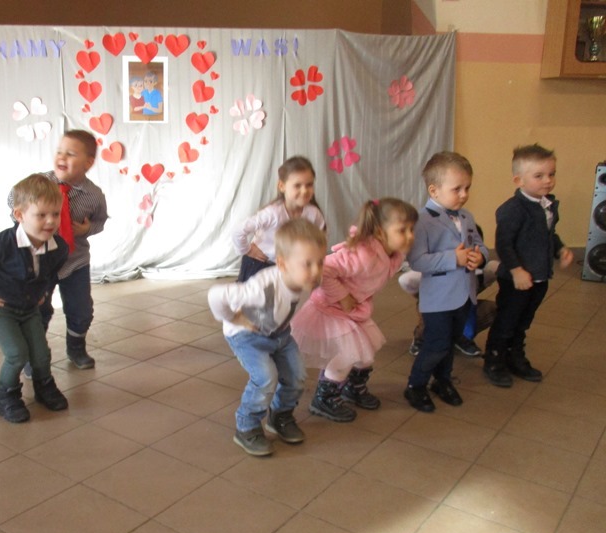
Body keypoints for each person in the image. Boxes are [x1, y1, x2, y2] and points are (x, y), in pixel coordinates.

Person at [292, 198, 418, 422]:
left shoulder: (394, 254)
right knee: (345, 356)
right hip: (330, 309)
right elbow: (323, 268)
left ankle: (352, 388)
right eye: (402, 230)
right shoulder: (362, 254)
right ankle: (324, 398)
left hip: (354, 311)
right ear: (379, 232)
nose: (410, 236)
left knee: (365, 355)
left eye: (411, 229)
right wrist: (342, 296)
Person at [0, 174, 70, 423]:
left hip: (29, 308)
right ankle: (6, 396)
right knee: (17, 353)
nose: (51, 221)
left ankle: (44, 387)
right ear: (19, 215)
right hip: (1, 308)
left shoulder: (59, 248)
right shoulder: (2, 243)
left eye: (55, 214)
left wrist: (43, 293)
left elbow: (51, 273)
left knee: (41, 354)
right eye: (41, 215)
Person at [208, 218, 326, 456]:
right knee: (265, 378)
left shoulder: (306, 279)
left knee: (296, 376)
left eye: (320, 262)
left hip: (278, 333)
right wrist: (231, 318)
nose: (316, 271)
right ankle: (247, 426)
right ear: (282, 264)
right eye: (307, 264)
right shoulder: (263, 288)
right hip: (246, 335)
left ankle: (280, 417)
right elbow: (216, 295)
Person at [7, 130, 108, 369]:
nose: (62, 157)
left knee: (81, 310)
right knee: (39, 309)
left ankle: (76, 348)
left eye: (71, 154)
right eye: (59, 151)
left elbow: (100, 221)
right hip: (41, 262)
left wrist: (87, 229)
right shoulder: (39, 183)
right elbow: (13, 200)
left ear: (88, 162)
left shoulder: (93, 195)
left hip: (75, 262)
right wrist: (25, 222)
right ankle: (35, 354)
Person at [483, 144, 574, 387]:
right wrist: (516, 271)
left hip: (539, 277)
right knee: (507, 320)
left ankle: (514, 356)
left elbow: (548, 235)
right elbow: (503, 244)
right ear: (519, 180)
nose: (548, 180)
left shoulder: (547, 205)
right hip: (516, 279)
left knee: (523, 321)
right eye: (539, 176)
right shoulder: (513, 209)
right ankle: (494, 360)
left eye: (551, 174)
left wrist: (560, 249)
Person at [404, 151, 488, 413]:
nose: (464, 194)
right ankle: (415, 385)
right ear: (434, 190)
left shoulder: (467, 217)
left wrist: (480, 257)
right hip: (438, 299)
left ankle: (442, 380)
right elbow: (417, 261)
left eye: (467, 188)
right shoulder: (422, 221)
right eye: (457, 189)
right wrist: (454, 258)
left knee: (450, 342)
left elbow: (480, 245)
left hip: (464, 294)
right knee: (435, 344)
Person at [399, 223, 499, 357]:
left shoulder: (483, 271)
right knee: (430, 311)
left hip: (463, 306)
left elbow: (494, 268)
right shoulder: (434, 269)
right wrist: (423, 297)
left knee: (494, 309)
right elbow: (406, 280)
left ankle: (460, 338)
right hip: (437, 304)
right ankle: (422, 339)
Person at [232, 156, 326, 282]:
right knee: (258, 294)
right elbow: (238, 231)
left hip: (288, 266)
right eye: (297, 185)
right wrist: (247, 250)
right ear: (282, 186)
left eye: (309, 185)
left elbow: (321, 238)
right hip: (260, 265)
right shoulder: (272, 213)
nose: (304, 191)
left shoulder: (314, 214)